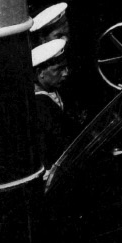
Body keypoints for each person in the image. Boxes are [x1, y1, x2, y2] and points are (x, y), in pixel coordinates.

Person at [32, 39, 76, 168]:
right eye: (59, 69)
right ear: (40, 73)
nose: (66, 73)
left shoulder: (54, 90)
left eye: (66, 67)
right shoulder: (39, 104)